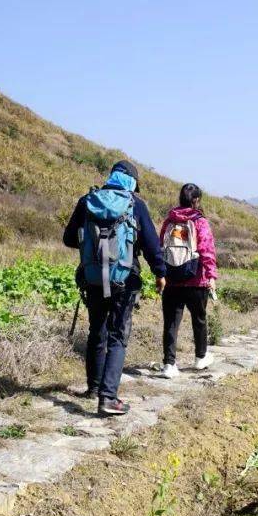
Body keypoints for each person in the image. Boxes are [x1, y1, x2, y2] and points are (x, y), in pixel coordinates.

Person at [63, 160, 166, 416]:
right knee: (118, 336)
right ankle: (108, 397)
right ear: (131, 182)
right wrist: (160, 273)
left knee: (97, 331)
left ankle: (94, 388)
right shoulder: (135, 205)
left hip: (94, 277)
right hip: (124, 279)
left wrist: (96, 250)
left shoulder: (88, 200)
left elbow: (68, 238)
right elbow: (152, 246)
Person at [157, 183, 218, 378]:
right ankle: (200, 358)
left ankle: (169, 364)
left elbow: (161, 246)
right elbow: (207, 249)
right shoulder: (200, 222)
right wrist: (211, 275)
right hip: (195, 279)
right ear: (196, 200)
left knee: (171, 322)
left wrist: (161, 274)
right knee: (199, 319)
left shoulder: (169, 220)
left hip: (172, 278)